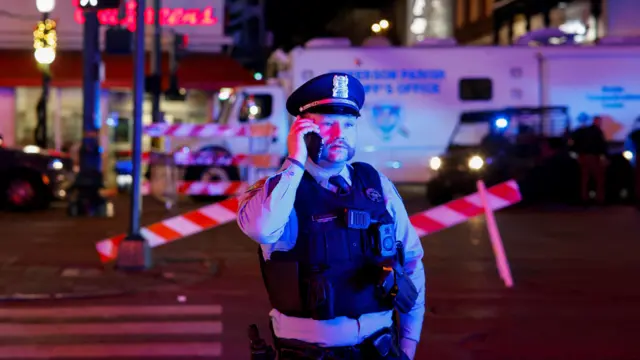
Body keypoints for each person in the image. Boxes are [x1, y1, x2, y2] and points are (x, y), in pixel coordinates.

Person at [237, 73, 425, 360]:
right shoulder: (277, 191)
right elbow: (261, 230)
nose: (340, 135)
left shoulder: (375, 184)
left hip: (380, 348)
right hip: (308, 352)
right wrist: (295, 161)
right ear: (300, 130)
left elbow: (411, 262)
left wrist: (409, 345)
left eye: (349, 125)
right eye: (326, 125)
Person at [570, 115, 608, 204]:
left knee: (585, 178)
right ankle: (599, 198)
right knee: (599, 178)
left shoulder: (581, 131)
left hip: (583, 156)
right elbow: (602, 145)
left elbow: (572, 142)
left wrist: (575, 153)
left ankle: (584, 198)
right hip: (593, 157)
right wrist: (604, 156)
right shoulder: (596, 132)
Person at [625, 117, 640, 209]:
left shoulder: (634, 133)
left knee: (638, 180)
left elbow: (628, 146)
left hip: (638, 156)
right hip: (638, 156)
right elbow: (628, 146)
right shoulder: (634, 134)